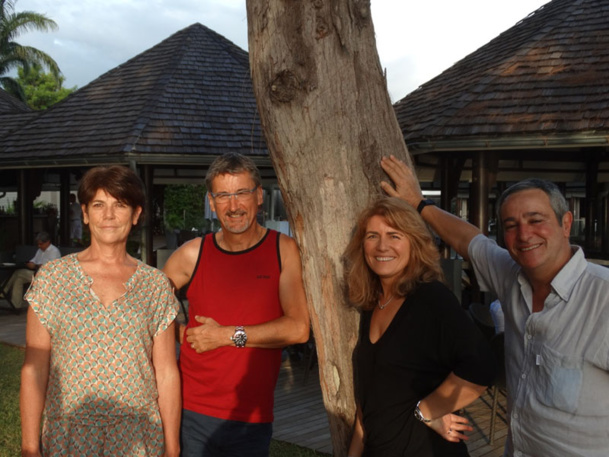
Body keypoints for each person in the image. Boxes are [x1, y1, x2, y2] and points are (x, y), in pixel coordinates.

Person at [380, 155, 609, 457]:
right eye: (511, 225)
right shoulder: (511, 274)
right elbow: (470, 241)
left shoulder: (602, 297)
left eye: (536, 220)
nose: (524, 235)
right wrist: (419, 204)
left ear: (566, 223)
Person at [20, 166, 181, 457]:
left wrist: (172, 447)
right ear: (85, 213)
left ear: (135, 215)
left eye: (120, 205)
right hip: (68, 433)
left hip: (138, 435)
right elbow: (35, 367)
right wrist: (30, 446)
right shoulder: (53, 279)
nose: (108, 216)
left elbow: (167, 372)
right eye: (98, 205)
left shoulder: (155, 284)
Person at [162, 152, 310, 457]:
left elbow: (298, 329)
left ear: (258, 196)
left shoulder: (283, 250)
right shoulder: (192, 253)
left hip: (250, 415)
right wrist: (180, 333)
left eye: (242, 193)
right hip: (190, 410)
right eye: (223, 196)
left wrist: (226, 335)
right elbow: (146, 308)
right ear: (211, 202)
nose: (233, 206)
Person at [345, 197, 496, 457]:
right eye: (372, 235)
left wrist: (427, 411)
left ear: (414, 243)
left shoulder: (431, 298)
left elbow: (481, 366)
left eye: (394, 235)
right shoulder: (372, 305)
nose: (382, 246)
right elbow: (367, 405)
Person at [3, 231, 60, 309]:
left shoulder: (54, 251)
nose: (39, 246)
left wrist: (35, 265)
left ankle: (3, 290)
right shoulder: (40, 250)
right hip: (36, 273)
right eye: (38, 244)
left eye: (41, 244)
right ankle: (15, 304)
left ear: (48, 242)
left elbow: (50, 267)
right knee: (18, 279)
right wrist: (31, 263)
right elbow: (34, 260)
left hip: (47, 276)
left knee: (18, 273)